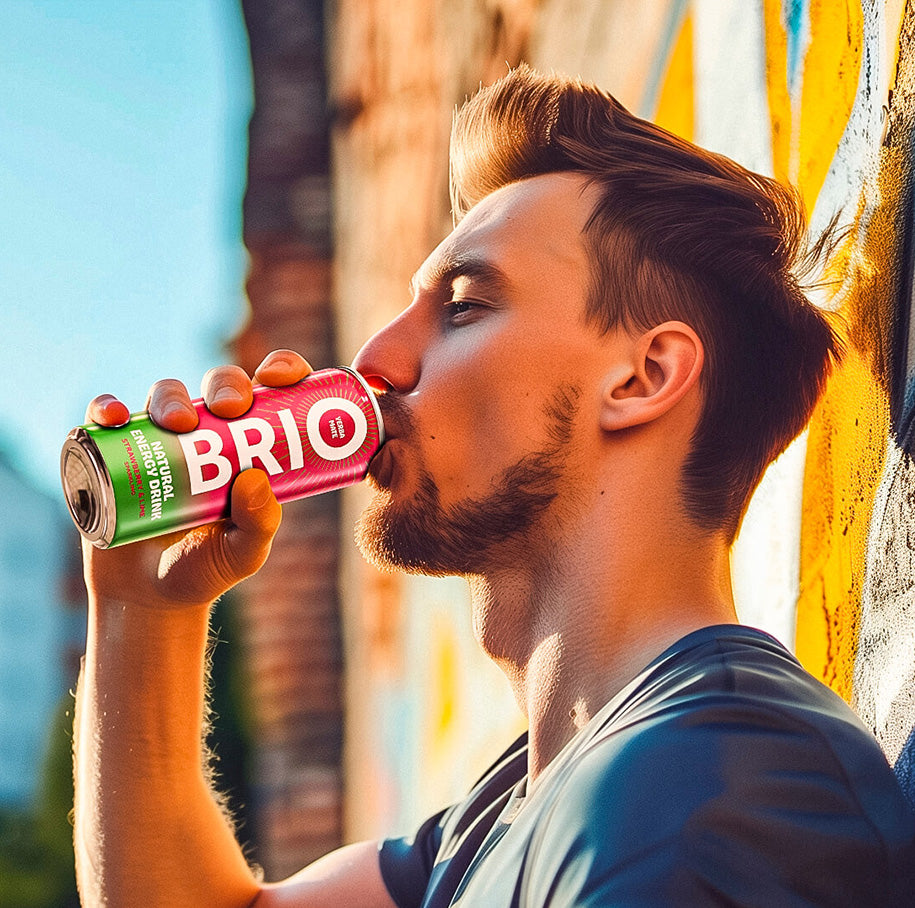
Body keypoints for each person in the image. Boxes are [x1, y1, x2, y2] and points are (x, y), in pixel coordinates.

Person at [73, 65, 915, 907]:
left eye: (465, 306)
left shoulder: (713, 788)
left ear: (642, 377)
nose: (374, 359)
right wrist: (141, 613)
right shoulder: (503, 819)